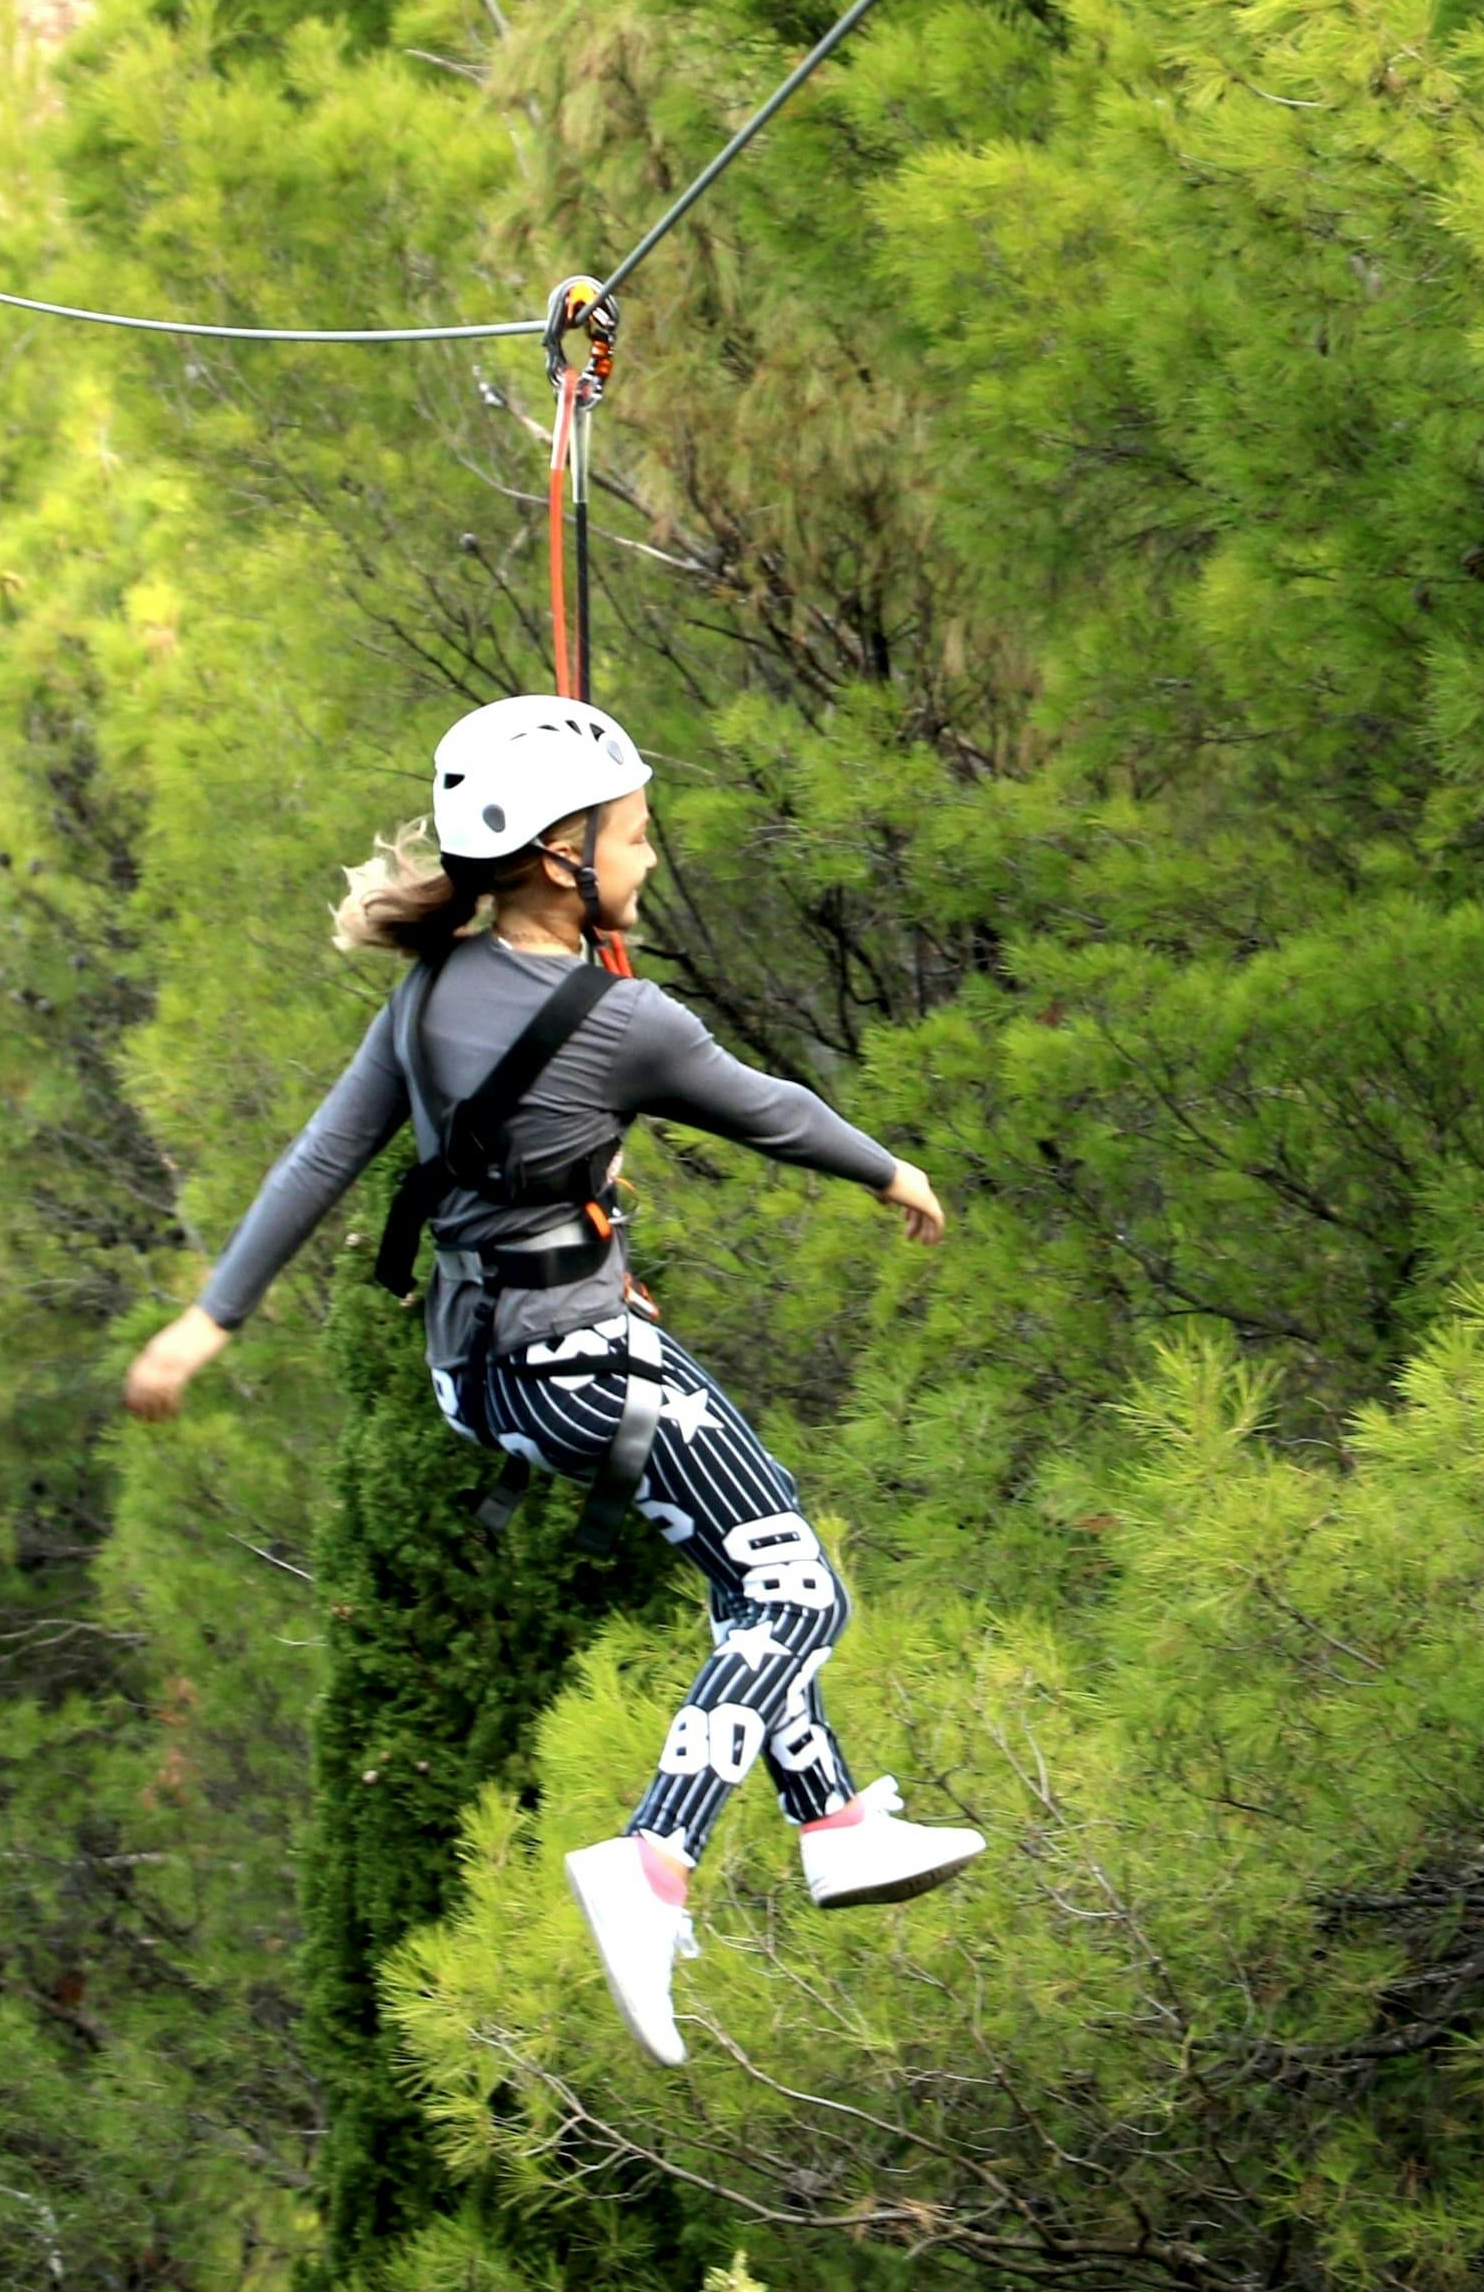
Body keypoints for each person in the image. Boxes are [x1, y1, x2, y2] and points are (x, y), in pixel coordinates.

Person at [125, 696, 984, 2068]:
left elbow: (318, 1164)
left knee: (741, 1565)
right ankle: (654, 1858)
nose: (654, 853)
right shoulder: (622, 1017)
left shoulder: (424, 998)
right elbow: (768, 1105)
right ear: (553, 859)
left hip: (484, 1370)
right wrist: (894, 1169)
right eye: (634, 835)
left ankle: (834, 1825)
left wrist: (208, 1322)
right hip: (586, 1355)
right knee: (794, 1588)